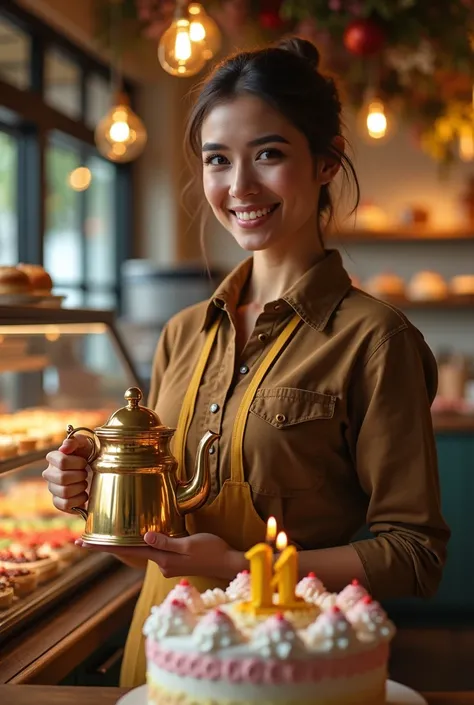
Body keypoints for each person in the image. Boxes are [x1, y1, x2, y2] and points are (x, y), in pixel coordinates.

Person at [42, 37, 450, 687]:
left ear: (325, 162)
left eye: (269, 154)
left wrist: (241, 559)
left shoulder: (376, 340)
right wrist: (95, 492)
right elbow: (162, 533)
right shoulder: (183, 333)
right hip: (165, 654)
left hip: (290, 663)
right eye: (217, 160)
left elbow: (414, 554)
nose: (239, 187)